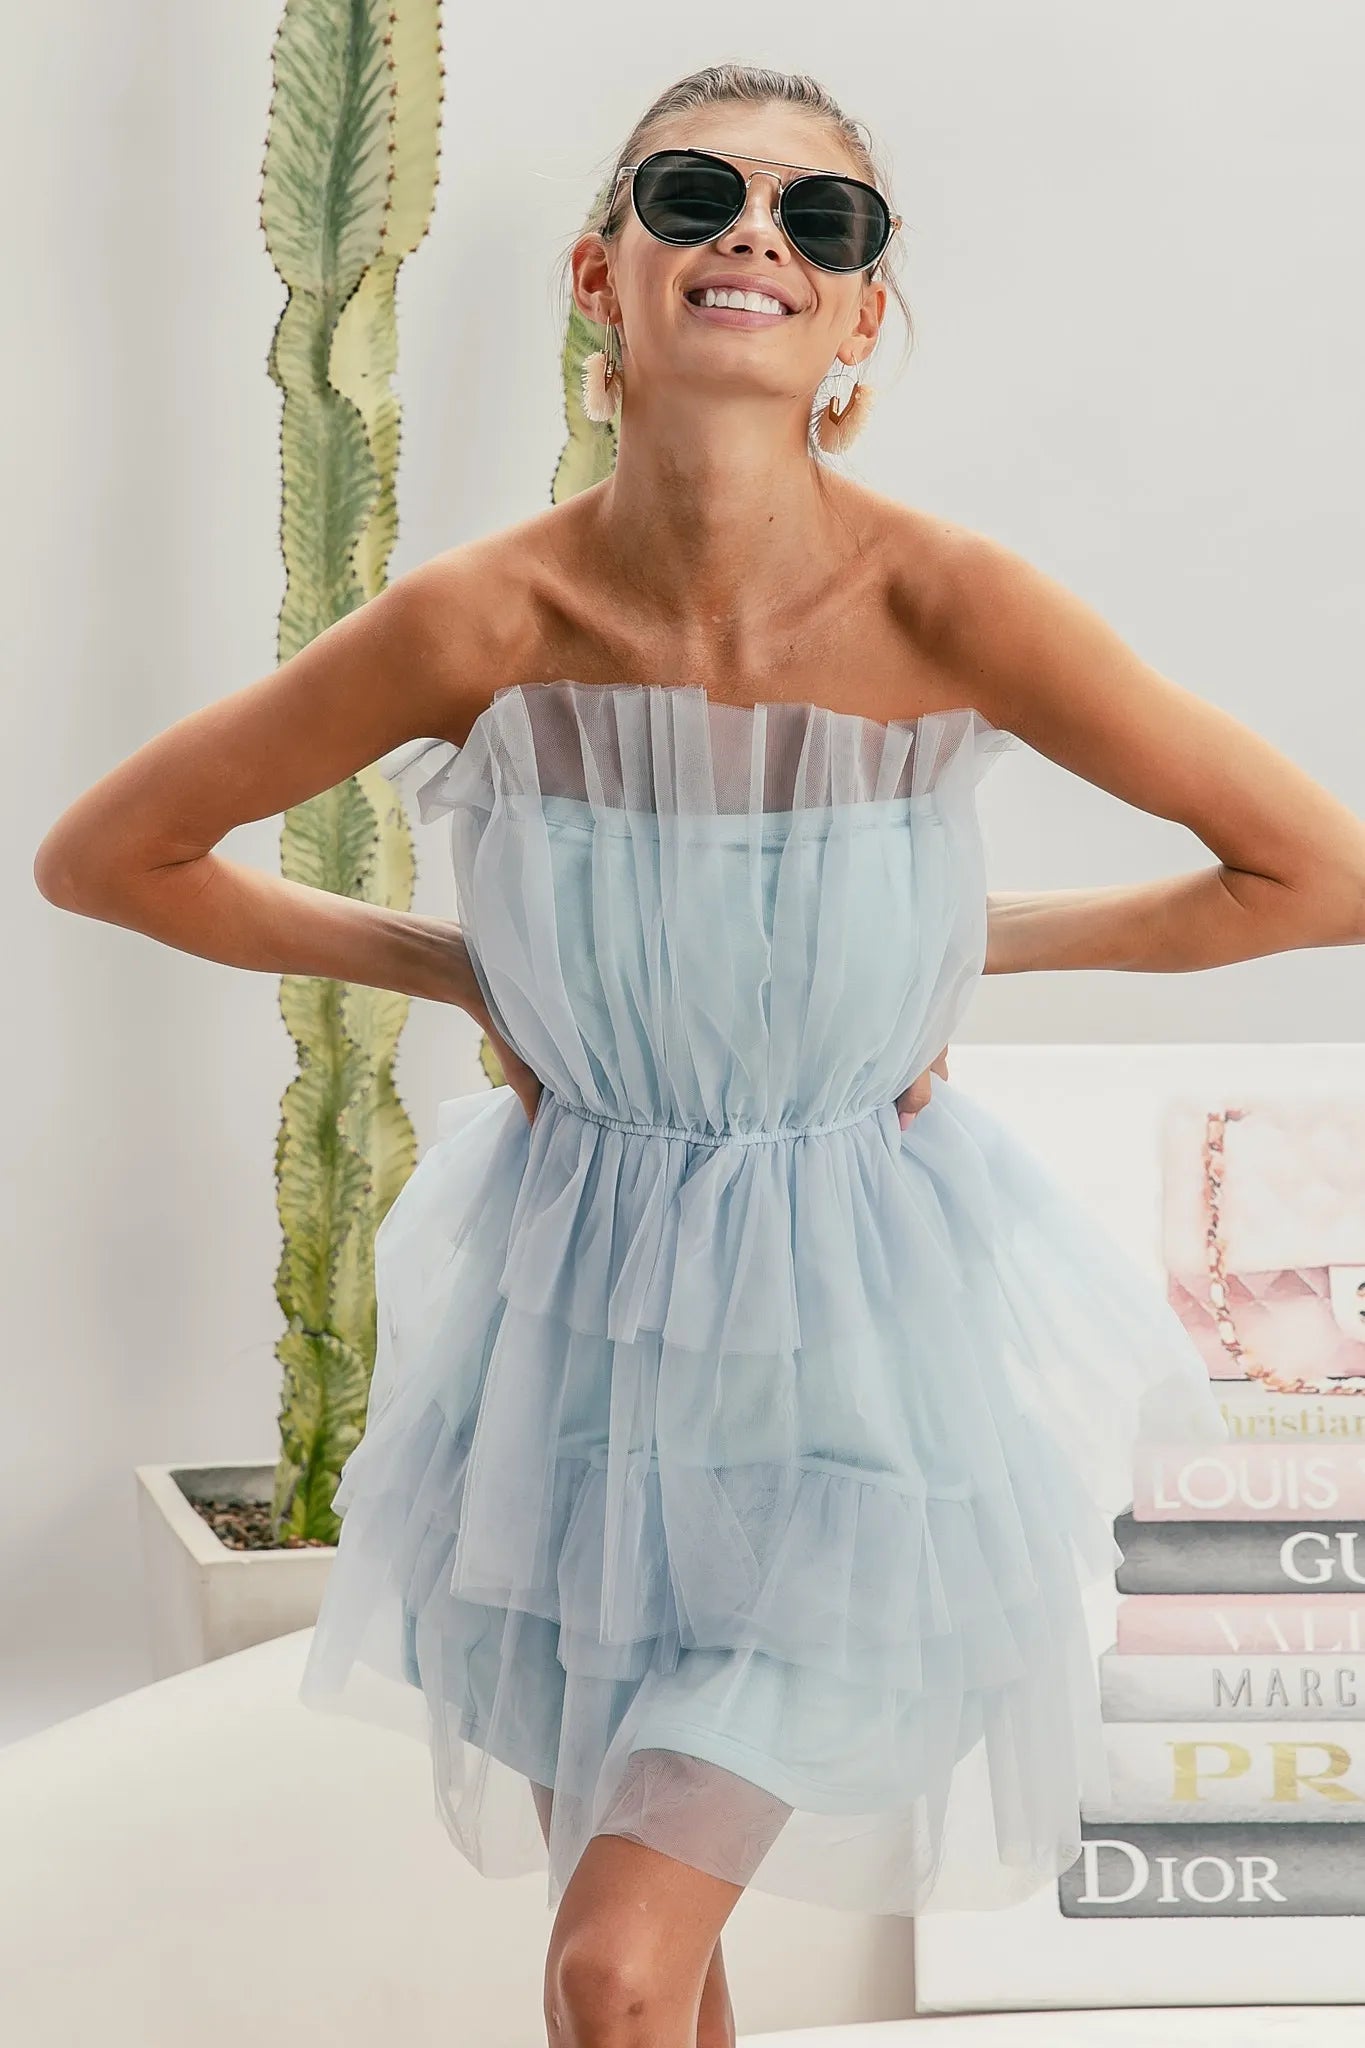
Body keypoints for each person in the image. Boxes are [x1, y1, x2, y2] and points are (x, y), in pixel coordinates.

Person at [33, 60, 1365, 2048]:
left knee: (605, 1966)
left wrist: (950, 958)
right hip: (566, 1353)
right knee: (641, 1978)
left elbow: (1306, 870)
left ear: (854, 321)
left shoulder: (945, 601)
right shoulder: (483, 616)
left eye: (819, 220)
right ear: (601, 274)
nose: (757, 231)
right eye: (695, 193)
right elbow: (109, 857)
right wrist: (465, 970)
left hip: (851, 1358)